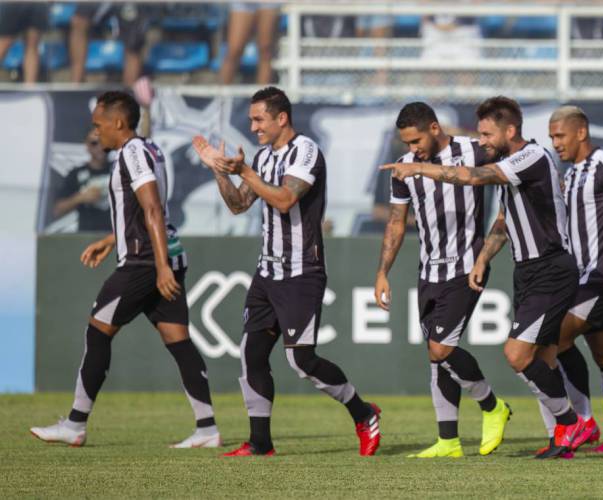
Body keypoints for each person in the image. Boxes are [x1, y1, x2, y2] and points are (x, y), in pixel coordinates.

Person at [382, 96, 586, 459]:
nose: (482, 142)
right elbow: (503, 221)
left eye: (487, 134)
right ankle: (561, 439)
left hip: (551, 268)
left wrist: (419, 169)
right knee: (545, 359)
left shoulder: (532, 156)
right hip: (526, 271)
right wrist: (484, 257)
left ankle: (572, 422)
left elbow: (474, 176)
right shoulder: (511, 166)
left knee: (516, 354)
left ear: (510, 131)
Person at [192, 86, 381, 457]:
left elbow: (284, 200)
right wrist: (219, 170)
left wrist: (242, 168)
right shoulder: (263, 158)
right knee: (252, 354)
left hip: (301, 271)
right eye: (251, 119)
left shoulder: (306, 152)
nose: (254, 126)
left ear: (282, 118)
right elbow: (237, 206)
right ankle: (260, 442)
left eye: (259, 119)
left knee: (302, 360)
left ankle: (363, 413)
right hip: (267, 271)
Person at [30, 91, 220, 449]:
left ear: (118, 123)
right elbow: (143, 211)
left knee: (98, 331)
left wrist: (160, 267)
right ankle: (207, 428)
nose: (95, 131)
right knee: (178, 341)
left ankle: (75, 424)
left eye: (98, 124)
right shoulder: (148, 149)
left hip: (144, 261)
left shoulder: (132, 153)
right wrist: (111, 238)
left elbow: (150, 209)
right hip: (163, 254)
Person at [375, 102, 511, 458]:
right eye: (407, 142)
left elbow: (513, 170)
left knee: (441, 347)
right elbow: (395, 221)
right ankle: (448, 440)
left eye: (417, 140)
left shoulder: (473, 150)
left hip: (466, 266)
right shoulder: (404, 167)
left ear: (435, 128)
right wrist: (382, 273)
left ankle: (493, 406)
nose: (413, 149)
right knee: (436, 355)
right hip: (429, 271)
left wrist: (501, 225)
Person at [540, 105, 603, 455]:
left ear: (580, 132)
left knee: (554, 337)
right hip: (579, 279)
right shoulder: (570, 174)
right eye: (552, 136)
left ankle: (582, 420)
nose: (555, 143)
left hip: (600, 277)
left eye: (560, 135)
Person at [53, 130, 112, 232]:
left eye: (104, 142)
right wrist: (80, 197)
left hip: (116, 237)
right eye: (94, 143)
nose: (100, 147)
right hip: (86, 236)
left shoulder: (120, 170)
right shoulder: (76, 174)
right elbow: (57, 210)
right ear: (87, 145)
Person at [219, 3, 278, 85]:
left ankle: (264, 95)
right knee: (234, 49)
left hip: (268, 4)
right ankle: (222, 94)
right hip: (243, 4)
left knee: (266, 50)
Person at [0, 1, 47, 83]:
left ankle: (30, 87)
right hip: (12, 4)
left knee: (32, 44)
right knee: (4, 42)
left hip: (38, 4)